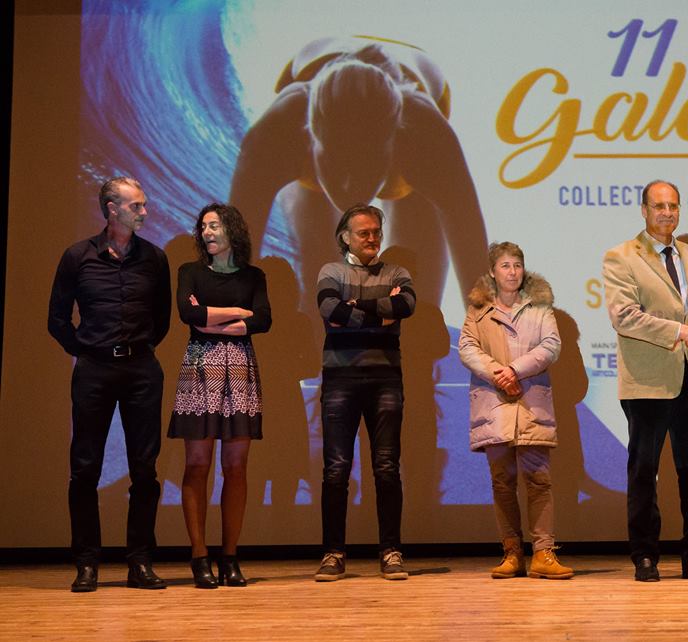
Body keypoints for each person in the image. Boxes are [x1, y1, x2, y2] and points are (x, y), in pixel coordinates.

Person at [229, 36, 487, 311]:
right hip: (318, 77)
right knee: (316, 288)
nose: (350, 186)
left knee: (417, 306)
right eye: (337, 165)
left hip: (415, 87)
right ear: (310, 137)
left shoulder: (427, 141)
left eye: (367, 167)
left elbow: (475, 266)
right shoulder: (276, 137)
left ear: (394, 144)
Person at [48, 177, 171, 592]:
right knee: (85, 468)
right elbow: (57, 319)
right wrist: (87, 351)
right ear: (112, 209)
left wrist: (137, 350)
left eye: (144, 204)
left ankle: (140, 562)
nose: (144, 212)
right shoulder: (77, 256)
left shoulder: (154, 258)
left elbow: (161, 320)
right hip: (95, 369)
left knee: (145, 470)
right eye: (137, 206)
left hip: (141, 370)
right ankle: (86, 563)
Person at [602, 179, 688, 583]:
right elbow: (624, 317)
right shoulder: (621, 257)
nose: (667, 213)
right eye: (659, 206)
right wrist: (682, 332)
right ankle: (645, 556)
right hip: (648, 380)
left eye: (673, 206)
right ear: (644, 210)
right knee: (644, 472)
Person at [168, 203, 272, 588]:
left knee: (236, 467)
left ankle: (230, 557)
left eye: (214, 225)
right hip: (200, 368)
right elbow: (188, 314)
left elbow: (263, 319)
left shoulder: (253, 276)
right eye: (203, 227)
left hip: (240, 370)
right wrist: (238, 313)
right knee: (197, 464)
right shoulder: (190, 272)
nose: (207, 232)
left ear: (232, 230)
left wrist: (214, 319)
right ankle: (199, 556)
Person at [313, 203, 416, 581]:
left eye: (376, 232)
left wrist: (356, 306)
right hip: (340, 379)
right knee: (336, 469)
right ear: (345, 237)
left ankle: (391, 551)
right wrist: (379, 314)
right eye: (364, 233)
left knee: (386, 467)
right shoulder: (331, 271)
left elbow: (406, 305)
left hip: (386, 378)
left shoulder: (397, 272)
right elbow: (330, 309)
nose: (372, 238)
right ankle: (333, 554)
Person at [459, 242, 573, 580]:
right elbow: (467, 347)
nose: (512, 272)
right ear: (493, 272)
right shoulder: (478, 310)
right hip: (494, 402)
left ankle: (543, 553)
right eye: (505, 266)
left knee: (539, 479)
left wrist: (515, 370)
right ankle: (512, 553)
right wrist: (499, 374)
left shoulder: (540, 307)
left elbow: (551, 345)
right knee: (502, 481)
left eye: (517, 265)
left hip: (530, 402)